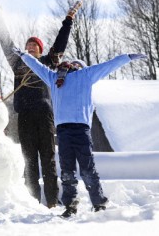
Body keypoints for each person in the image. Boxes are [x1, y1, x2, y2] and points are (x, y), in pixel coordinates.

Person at [13, 47, 147, 217]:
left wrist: (127, 57)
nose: (73, 64)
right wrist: (24, 55)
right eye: (71, 62)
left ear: (82, 68)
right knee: (67, 170)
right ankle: (70, 204)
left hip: (81, 129)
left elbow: (109, 65)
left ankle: (98, 202)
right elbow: (37, 66)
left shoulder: (86, 75)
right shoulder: (55, 78)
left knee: (87, 168)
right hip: (63, 131)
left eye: (78, 64)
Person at [0, 0, 82, 208]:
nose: (30, 47)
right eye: (28, 45)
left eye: (35, 46)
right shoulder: (18, 64)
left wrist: (68, 20)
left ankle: (51, 202)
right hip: (24, 117)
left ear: (40, 51)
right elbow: (6, 44)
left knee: (48, 160)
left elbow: (60, 43)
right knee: (29, 161)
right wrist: (0, 19)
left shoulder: (48, 63)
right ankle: (32, 202)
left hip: (44, 115)